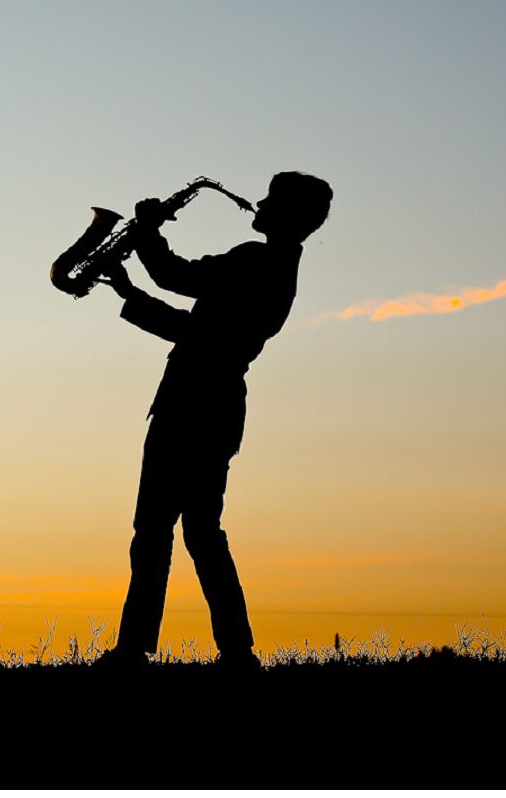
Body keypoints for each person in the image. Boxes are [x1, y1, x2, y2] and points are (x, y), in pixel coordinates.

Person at [91, 171, 334, 671]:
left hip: (189, 405)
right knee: (202, 531)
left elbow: (176, 283)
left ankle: (135, 651)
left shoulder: (255, 259)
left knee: (154, 529)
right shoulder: (278, 268)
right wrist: (131, 284)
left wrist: (145, 236)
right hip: (220, 408)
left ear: (289, 215)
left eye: (272, 199)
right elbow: (195, 327)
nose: (259, 203)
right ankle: (236, 652)